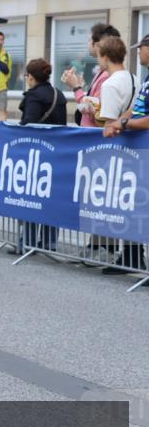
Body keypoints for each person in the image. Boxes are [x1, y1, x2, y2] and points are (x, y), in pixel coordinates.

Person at [91, 35, 143, 275]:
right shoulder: (135, 77)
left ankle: (123, 254)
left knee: (119, 203)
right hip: (137, 146)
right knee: (132, 203)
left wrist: (96, 111)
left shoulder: (110, 84)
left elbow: (109, 122)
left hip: (119, 148)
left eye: (99, 55)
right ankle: (132, 255)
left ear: (105, 56)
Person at [12, 58, 65, 254]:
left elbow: (29, 124)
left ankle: (29, 241)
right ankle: (50, 241)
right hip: (56, 154)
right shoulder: (58, 94)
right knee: (51, 198)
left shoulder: (34, 96)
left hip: (35, 155)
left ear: (31, 77)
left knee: (31, 197)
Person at [62, 23, 121, 127]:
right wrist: (79, 87)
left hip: (95, 137)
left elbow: (94, 110)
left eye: (90, 40)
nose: (88, 44)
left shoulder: (107, 75)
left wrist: (76, 88)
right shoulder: (102, 72)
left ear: (98, 45)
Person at [0, 30, 12, 122]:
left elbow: (8, 72)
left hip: (2, 88)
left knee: (2, 111)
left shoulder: (7, 55)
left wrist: (4, 83)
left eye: (1, 39)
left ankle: (2, 131)